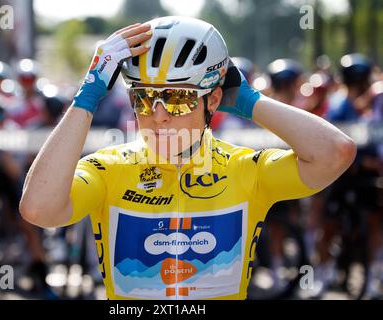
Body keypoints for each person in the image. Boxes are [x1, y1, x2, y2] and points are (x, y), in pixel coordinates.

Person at [20, 17, 356, 300]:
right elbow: (39, 209)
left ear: (213, 101)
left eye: (178, 98)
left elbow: (335, 153)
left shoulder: (245, 168)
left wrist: (250, 101)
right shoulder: (108, 169)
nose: (159, 115)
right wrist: (88, 96)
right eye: (144, 98)